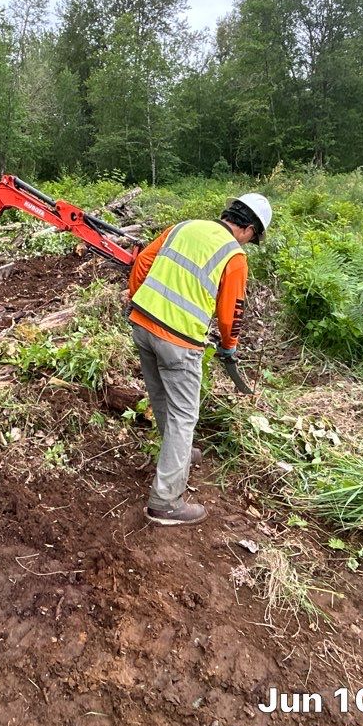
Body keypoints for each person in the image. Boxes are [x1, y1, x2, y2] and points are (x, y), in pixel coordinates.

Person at [126, 193, 273, 526]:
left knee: (161, 398)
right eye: (253, 238)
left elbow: (143, 263)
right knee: (183, 416)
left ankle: (176, 454)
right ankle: (165, 503)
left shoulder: (183, 227)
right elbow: (230, 312)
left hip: (143, 325)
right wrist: (229, 346)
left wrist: (136, 300)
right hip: (178, 342)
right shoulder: (234, 255)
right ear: (248, 229)